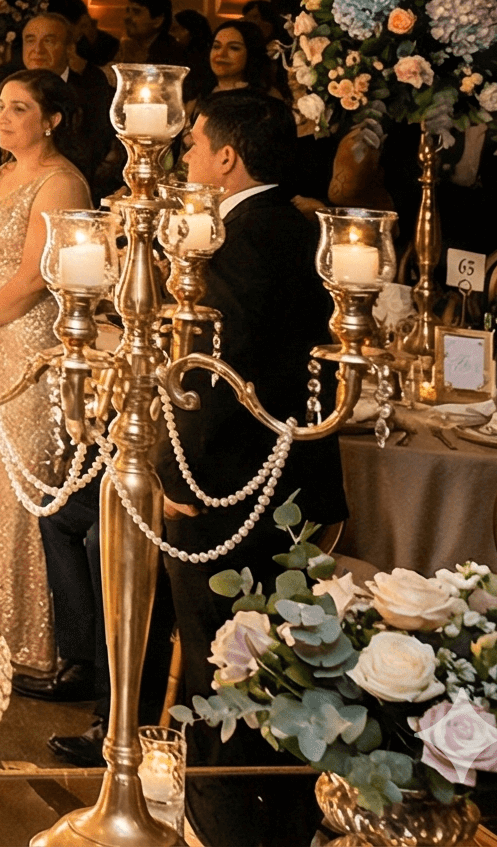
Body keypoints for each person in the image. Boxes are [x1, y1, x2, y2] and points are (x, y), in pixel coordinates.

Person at [158, 92, 347, 840]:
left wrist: (180, 478)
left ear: (227, 157)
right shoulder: (290, 229)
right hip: (285, 480)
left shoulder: (240, 242)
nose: (184, 158)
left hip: (232, 488)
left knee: (221, 669)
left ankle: (225, 824)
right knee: (273, 664)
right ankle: (279, 819)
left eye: (193, 145)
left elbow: (217, 372)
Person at [0, 70, 91, 683]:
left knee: (24, 488)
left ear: (52, 118)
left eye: (20, 108)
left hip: (30, 348)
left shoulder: (62, 183)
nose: (4, 118)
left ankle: (37, 639)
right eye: (1, 107)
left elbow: (37, 278)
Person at [19, 9, 112, 186]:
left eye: (49, 41)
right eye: (30, 40)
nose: (37, 50)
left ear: (69, 49)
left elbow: (95, 157)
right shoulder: (7, 91)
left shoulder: (94, 94)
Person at [191, 17, 286, 103]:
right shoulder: (198, 96)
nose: (221, 54)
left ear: (251, 54)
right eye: (216, 46)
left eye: (234, 48)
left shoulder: (268, 98)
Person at [117, 0, 194, 66]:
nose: (127, 17)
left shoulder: (173, 55)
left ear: (158, 21)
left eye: (137, 12)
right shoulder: (125, 49)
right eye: (127, 11)